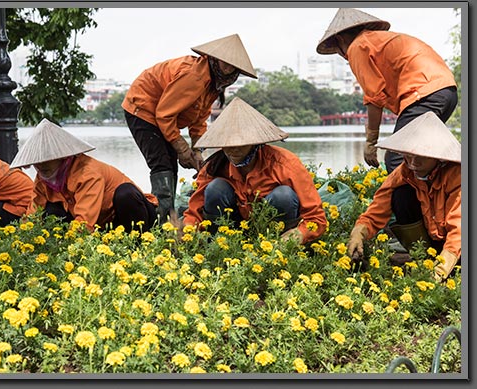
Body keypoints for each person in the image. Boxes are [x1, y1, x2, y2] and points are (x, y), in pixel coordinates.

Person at [122, 33, 257, 222]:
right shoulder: (194, 76)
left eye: (233, 67)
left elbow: (199, 120)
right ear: (215, 60)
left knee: (171, 166)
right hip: (143, 109)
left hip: (163, 116)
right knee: (162, 164)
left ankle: (169, 217)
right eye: (225, 63)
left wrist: (198, 152)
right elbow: (165, 114)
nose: (229, 69)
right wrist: (183, 150)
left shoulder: (213, 85)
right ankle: (162, 223)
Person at [316, 8, 457, 174]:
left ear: (340, 39)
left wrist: (371, 142)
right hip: (447, 91)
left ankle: (413, 199)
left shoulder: (357, 47)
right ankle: (438, 196)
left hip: (424, 95)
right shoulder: (376, 41)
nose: (342, 55)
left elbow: (374, 97)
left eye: (337, 49)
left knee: (397, 157)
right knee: (424, 154)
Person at [183, 97, 327, 245]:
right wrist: (188, 231)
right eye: (227, 144)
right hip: (233, 229)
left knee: (284, 195)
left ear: (254, 143)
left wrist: (300, 234)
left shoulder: (286, 164)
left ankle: (279, 247)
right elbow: (195, 211)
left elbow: (316, 218)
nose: (233, 150)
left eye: (240, 144)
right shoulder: (215, 166)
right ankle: (218, 245)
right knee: (215, 188)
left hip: (274, 231)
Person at [346, 111, 461, 281]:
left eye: (421, 155)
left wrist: (440, 271)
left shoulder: (458, 175)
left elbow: (459, 230)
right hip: (434, 239)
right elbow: (378, 207)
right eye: (409, 154)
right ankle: (423, 259)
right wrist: (358, 233)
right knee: (400, 195)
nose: (413, 162)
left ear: (438, 156)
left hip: (460, 244)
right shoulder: (405, 171)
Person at [10, 119, 158, 232]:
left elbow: (85, 222)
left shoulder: (87, 173)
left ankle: (138, 245)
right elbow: (33, 215)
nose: (40, 166)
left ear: (61, 156)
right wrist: (23, 238)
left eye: (46, 159)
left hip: (131, 216)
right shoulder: (43, 180)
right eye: (37, 161)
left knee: (125, 193)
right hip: (102, 225)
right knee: (50, 211)